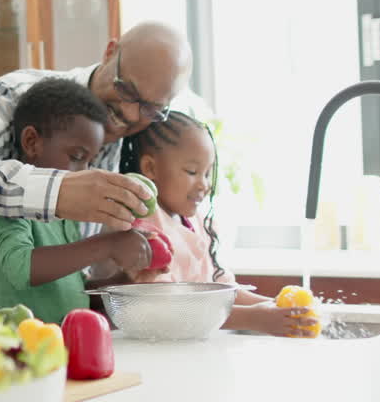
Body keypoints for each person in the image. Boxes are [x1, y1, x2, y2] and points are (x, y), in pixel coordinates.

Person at [0, 22, 194, 324]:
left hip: (13, 341)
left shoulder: (119, 150)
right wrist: (57, 191)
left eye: (151, 109)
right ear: (110, 52)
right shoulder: (22, 93)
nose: (129, 113)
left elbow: (68, 275)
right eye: (126, 89)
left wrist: (122, 269)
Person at [119, 112, 315, 336]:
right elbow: (171, 307)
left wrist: (276, 306)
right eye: (192, 172)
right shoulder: (144, 228)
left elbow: (222, 287)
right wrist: (254, 318)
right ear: (150, 168)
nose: (204, 184)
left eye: (208, 173)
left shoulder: (196, 220)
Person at [0, 78, 150, 324]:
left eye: (89, 162)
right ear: (32, 142)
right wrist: (107, 244)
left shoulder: (64, 211)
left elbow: (72, 289)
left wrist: (126, 282)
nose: (83, 171)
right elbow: (22, 270)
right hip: (23, 350)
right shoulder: (9, 200)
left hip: (66, 343)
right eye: (76, 157)